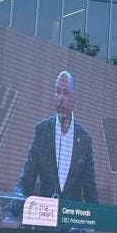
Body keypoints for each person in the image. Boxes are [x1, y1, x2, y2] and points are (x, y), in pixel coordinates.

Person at [15, 70, 97, 202]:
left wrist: (97, 217)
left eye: (65, 93)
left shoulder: (84, 139)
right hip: (45, 216)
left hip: (72, 217)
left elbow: (90, 189)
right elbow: (26, 180)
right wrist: (17, 196)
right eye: (57, 92)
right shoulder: (42, 131)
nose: (60, 98)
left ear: (74, 97)